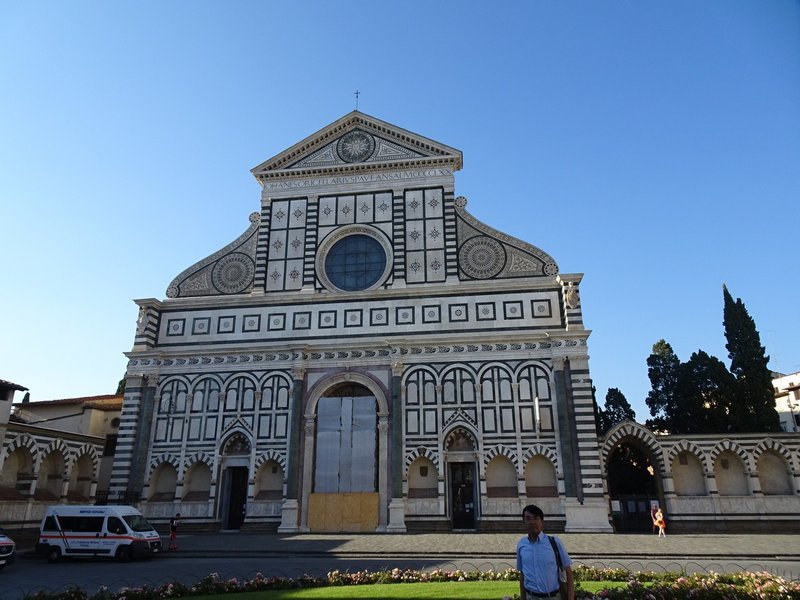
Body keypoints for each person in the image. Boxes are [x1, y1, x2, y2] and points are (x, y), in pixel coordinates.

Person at [516, 504, 574, 600]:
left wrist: (571, 598)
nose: (532, 522)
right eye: (528, 518)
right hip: (531, 596)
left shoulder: (554, 542)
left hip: (553, 597)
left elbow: (569, 572)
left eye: (536, 518)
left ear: (542, 522)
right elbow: (522, 574)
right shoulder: (521, 544)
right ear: (524, 522)